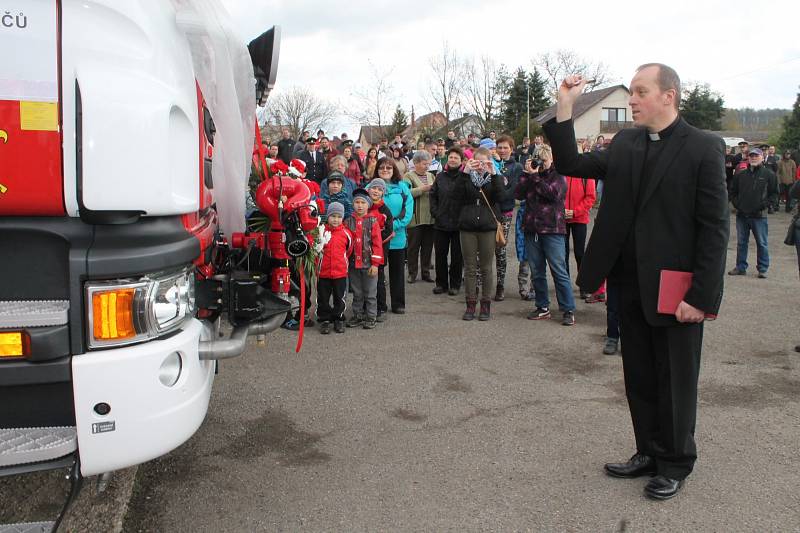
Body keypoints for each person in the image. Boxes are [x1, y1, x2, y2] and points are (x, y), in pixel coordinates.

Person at [543, 64, 729, 500]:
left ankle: (676, 462)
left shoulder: (704, 147)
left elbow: (715, 228)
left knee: (676, 379)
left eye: (641, 92)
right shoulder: (626, 142)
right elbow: (570, 163)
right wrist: (564, 107)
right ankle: (648, 451)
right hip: (630, 282)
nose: (632, 100)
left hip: (678, 288)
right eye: (633, 93)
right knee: (640, 375)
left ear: (670, 96)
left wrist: (701, 296)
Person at [515, 145, 576, 326]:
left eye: (544, 160)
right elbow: (518, 194)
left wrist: (534, 177)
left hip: (552, 229)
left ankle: (568, 309)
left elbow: (553, 194)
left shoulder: (558, 175)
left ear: (551, 160)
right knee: (537, 271)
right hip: (532, 230)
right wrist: (527, 174)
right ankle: (542, 307)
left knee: (559, 270)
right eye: (538, 160)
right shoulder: (531, 174)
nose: (541, 164)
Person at [453, 147, 503, 321]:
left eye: (483, 162)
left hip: (487, 227)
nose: (480, 166)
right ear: (471, 161)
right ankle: (470, 304)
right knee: (470, 268)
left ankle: (485, 305)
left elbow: (501, 197)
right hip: (467, 227)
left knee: (486, 268)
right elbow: (455, 195)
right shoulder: (466, 177)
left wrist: (494, 173)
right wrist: (465, 172)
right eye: (477, 162)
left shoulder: (493, 178)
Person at [728, 147, 778, 278]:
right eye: (751, 156)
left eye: (756, 156)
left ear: (762, 157)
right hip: (742, 215)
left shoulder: (769, 175)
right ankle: (740, 267)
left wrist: (763, 206)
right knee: (741, 242)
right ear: (748, 158)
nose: (753, 158)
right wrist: (737, 205)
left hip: (759, 216)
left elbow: (774, 195)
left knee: (762, 243)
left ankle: (762, 268)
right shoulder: (740, 175)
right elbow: (732, 192)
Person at [344, 189, 383, 330]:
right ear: (353, 204)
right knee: (357, 292)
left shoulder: (373, 221)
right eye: (357, 202)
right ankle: (358, 315)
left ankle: (371, 316)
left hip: (369, 265)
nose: (360, 205)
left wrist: (375, 264)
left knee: (370, 293)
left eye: (363, 203)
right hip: (353, 264)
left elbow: (377, 244)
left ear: (368, 205)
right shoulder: (348, 222)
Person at [430, 146, 466, 295]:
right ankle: (441, 283)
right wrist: (436, 212)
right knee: (440, 254)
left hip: (459, 223)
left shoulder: (465, 177)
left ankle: (455, 284)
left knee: (457, 256)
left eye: (456, 158)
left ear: (461, 161)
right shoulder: (440, 177)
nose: (452, 160)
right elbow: (433, 196)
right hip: (441, 222)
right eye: (450, 157)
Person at [381, 160, 414, 314]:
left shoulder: (403, 188)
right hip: (377, 238)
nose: (385, 170)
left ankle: (398, 303)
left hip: (397, 236)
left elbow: (407, 213)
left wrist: (392, 227)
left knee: (397, 272)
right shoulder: (370, 187)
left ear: (394, 170)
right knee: (377, 272)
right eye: (382, 167)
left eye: (389, 167)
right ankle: (379, 304)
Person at [492, 135, 522, 301]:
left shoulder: (516, 167)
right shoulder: (491, 164)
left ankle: (500, 285)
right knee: (484, 250)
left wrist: (500, 194)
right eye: (500, 147)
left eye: (505, 147)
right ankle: (482, 283)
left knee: (500, 249)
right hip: (490, 211)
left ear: (511, 149)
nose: (502, 150)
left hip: (505, 212)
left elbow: (513, 190)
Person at [316, 202, 353, 334]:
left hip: (340, 272)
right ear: (328, 216)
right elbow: (316, 250)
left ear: (342, 218)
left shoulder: (346, 233)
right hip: (323, 272)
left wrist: (342, 262)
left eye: (338, 216)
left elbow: (349, 250)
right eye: (333, 216)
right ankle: (324, 319)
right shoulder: (321, 232)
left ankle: (338, 318)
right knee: (323, 298)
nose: (335, 219)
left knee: (340, 297)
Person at [404, 151, 437, 284]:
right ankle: (412, 274)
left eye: (428, 164)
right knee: (413, 248)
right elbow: (405, 193)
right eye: (424, 164)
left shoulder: (431, 176)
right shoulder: (408, 176)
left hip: (430, 218)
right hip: (415, 218)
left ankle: (426, 273)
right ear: (416, 163)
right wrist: (423, 189)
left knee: (428, 247)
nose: (427, 166)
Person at [564, 174, 598, 299]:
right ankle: (565, 286)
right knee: (563, 254)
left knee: (580, 254)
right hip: (562, 219)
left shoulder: (586, 174)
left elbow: (590, 197)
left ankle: (583, 285)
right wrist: (562, 210)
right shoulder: (562, 171)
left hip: (580, 219)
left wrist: (574, 212)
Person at [366, 178, 395, 322]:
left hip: (380, 248)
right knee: (365, 278)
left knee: (378, 278)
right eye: (374, 188)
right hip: (364, 249)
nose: (376, 191)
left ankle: (380, 306)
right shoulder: (364, 205)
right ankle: (367, 305)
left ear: (383, 192)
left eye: (379, 189)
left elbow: (389, 230)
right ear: (369, 189)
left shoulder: (385, 210)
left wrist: (374, 239)